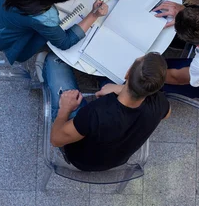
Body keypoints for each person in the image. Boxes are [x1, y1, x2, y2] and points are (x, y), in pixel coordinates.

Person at [36, 52, 171, 172]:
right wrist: (119, 88)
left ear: (127, 73)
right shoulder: (160, 102)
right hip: (117, 159)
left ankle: (46, 75)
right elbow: (167, 113)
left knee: (54, 59)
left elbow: (56, 140)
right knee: (107, 77)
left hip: (80, 159)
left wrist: (64, 109)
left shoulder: (96, 112)